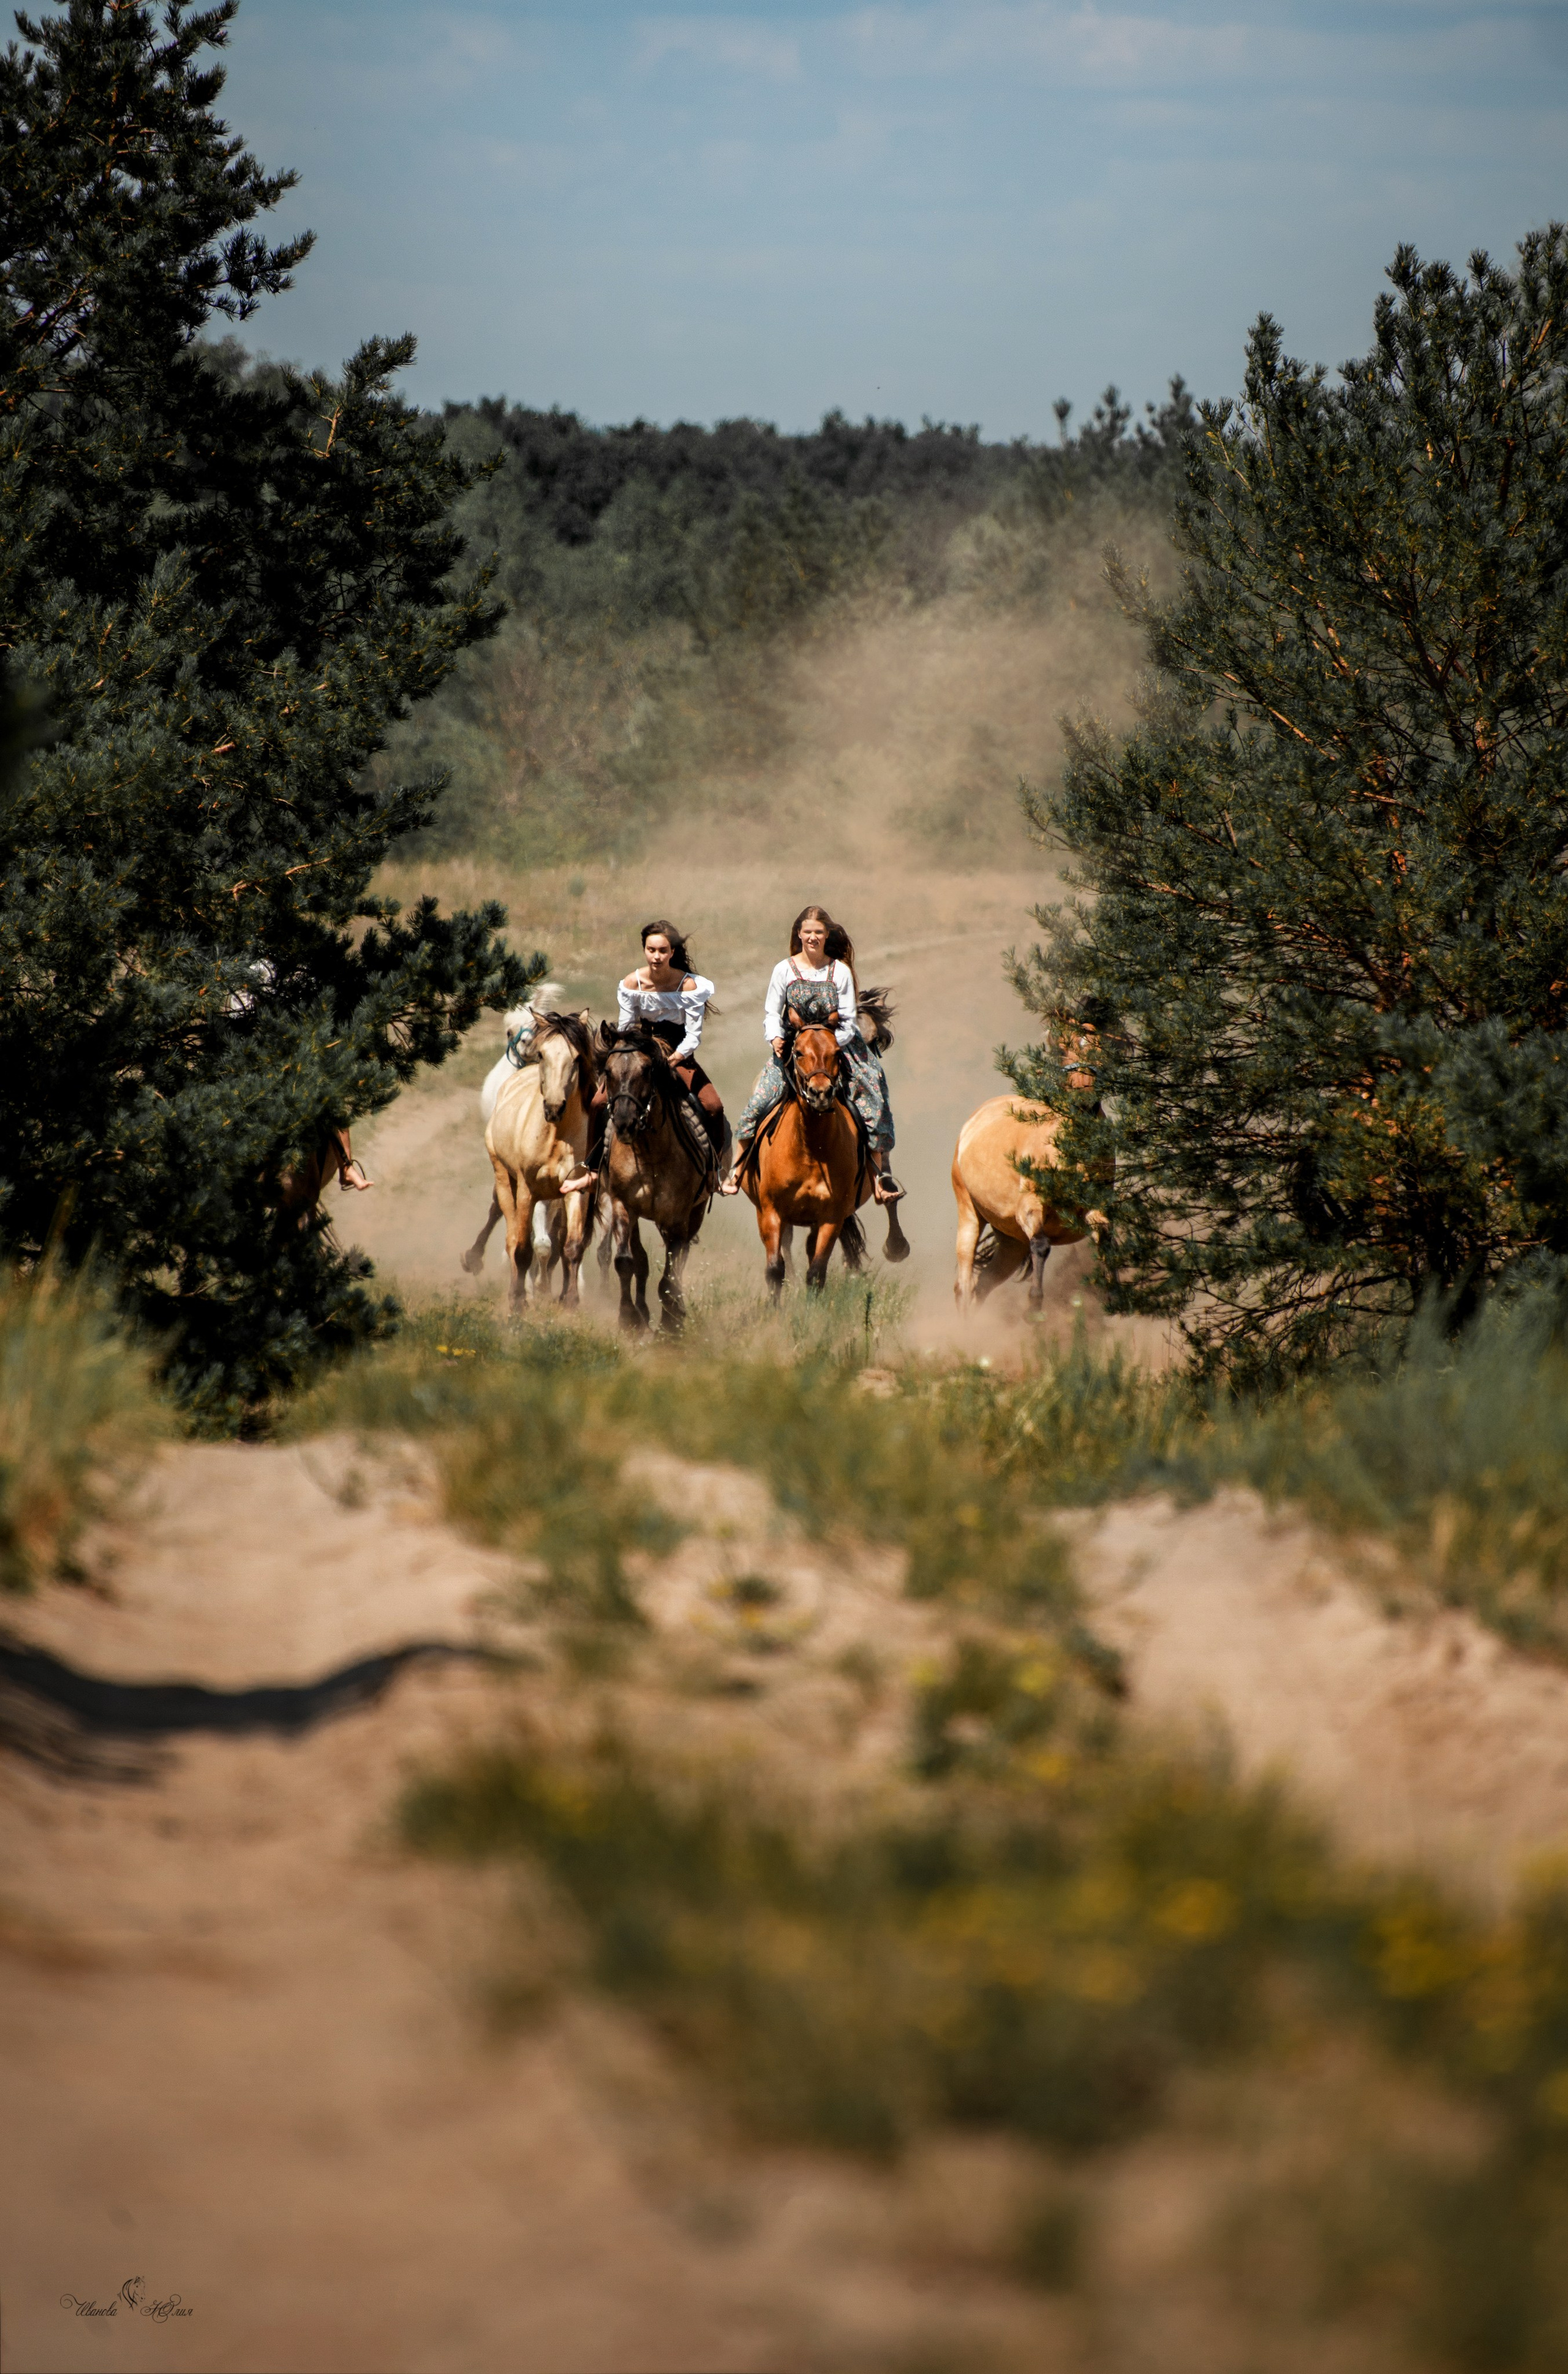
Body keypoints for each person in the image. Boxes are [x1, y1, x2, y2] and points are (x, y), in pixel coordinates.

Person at [720, 904, 902, 1200]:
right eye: (808, 932)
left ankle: (879, 1179)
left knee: (872, 1101)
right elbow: (771, 1012)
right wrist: (776, 1037)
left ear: (826, 935)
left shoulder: (839, 971)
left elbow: (846, 1018)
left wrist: (830, 1044)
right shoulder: (784, 969)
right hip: (797, 1047)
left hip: (837, 1046)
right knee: (759, 1102)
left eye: (819, 932)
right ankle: (737, 1172)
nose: (813, 937)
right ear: (799, 935)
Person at [561, 920, 726, 1190]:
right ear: (645, 950)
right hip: (639, 1049)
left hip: (677, 1052)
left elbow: (693, 1035)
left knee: (713, 1106)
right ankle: (590, 1170)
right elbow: (626, 1028)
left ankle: (714, 1172)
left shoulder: (690, 986)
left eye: (662, 951)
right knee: (598, 1103)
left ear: (672, 952)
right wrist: (621, 1058)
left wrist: (675, 1058)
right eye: (651, 950)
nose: (656, 957)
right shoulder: (632, 983)